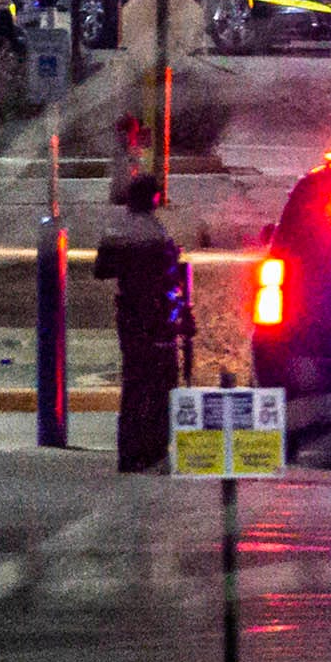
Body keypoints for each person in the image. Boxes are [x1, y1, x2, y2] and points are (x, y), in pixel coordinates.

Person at [91, 161, 189, 474]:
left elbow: (101, 270)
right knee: (160, 383)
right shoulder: (158, 234)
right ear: (154, 200)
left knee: (133, 383)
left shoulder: (116, 230)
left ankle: (129, 453)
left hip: (129, 314)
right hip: (157, 317)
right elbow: (171, 280)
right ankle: (154, 451)